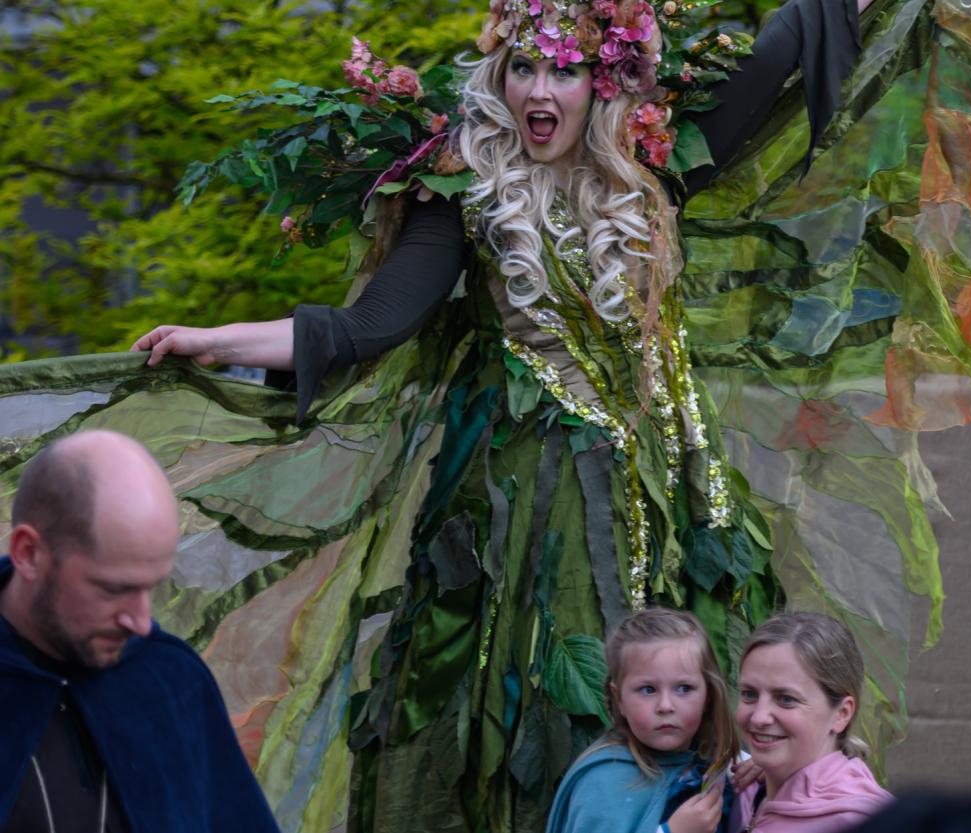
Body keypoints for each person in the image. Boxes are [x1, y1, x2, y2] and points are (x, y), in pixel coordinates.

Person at [121, 1, 881, 830]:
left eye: (563, 69)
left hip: (676, 489)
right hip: (536, 500)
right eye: (523, 67)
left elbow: (787, 42)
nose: (538, 88)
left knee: (701, 690)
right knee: (566, 693)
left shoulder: (654, 166)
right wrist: (214, 336)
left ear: (604, 83)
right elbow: (371, 324)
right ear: (498, 78)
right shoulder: (466, 189)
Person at [0, 430, 281, 833]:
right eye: (115, 589)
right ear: (29, 553)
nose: (141, 622)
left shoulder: (171, 681)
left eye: (152, 586)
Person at [545, 608, 740, 833]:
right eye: (648, 689)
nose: (665, 706)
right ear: (619, 699)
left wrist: (768, 775)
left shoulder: (712, 762)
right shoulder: (603, 784)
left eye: (684, 688)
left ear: (708, 695)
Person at [729, 612, 891, 833]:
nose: (759, 717)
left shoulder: (860, 823)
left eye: (786, 699)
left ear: (842, 714)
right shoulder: (742, 790)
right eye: (749, 694)